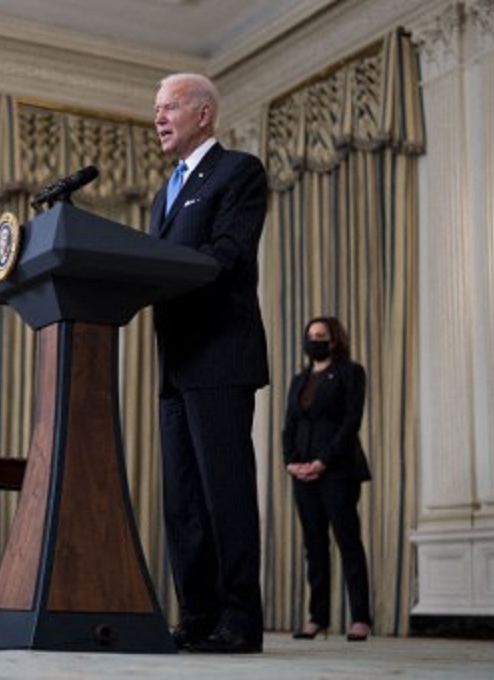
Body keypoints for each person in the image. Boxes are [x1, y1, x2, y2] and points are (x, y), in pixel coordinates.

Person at [149, 72, 269, 654]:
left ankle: (239, 620)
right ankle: (198, 615)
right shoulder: (163, 193)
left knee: (225, 492)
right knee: (183, 500)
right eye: (156, 108)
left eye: (169, 106)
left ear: (203, 113)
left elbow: (229, 253)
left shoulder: (238, 171)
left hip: (221, 355)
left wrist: (158, 271)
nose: (158, 117)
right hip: (175, 361)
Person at [283, 316, 372, 642]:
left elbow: (351, 422)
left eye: (320, 335)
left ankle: (360, 618)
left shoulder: (350, 373)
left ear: (334, 340)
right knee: (314, 546)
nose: (314, 340)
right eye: (310, 335)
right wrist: (291, 462)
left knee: (348, 542)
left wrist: (323, 461)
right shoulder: (299, 380)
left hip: (338, 470)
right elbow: (289, 425)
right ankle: (317, 618)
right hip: (303, 473)